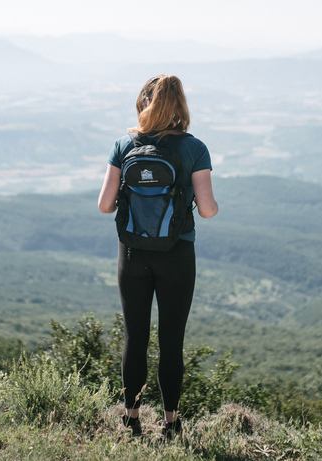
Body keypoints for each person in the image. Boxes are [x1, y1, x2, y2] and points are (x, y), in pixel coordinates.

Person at [97, 74, 218, 439]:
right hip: (177, 253)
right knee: (171, 339)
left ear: (143, 103)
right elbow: (209, 210)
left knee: (135, 336)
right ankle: (170, 422)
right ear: (181, 106)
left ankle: (131, 419)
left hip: (132, 252)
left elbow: (105, 205)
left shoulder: (123, 145)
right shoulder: (194, 148)